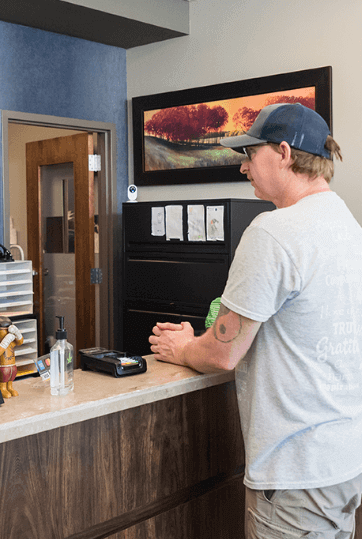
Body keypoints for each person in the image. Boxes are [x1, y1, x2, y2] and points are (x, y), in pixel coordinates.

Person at [149, 103, 362, 538]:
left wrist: (184, 347)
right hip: (345, 463)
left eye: (250, 154)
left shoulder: (274, 231)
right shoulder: (347, 226)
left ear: (284, 153)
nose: (244, 167)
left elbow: (224, 352)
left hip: (295, 473)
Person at [0, 316, 23, 399]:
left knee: (11, 377)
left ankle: (10, 388)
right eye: (4, 332)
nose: (7, 334)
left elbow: (20, 342)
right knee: (3, 377)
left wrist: (17, 333)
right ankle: (3, 389)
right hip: (2, 367)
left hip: (12, 366)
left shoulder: (11, 343)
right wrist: (6, 341)